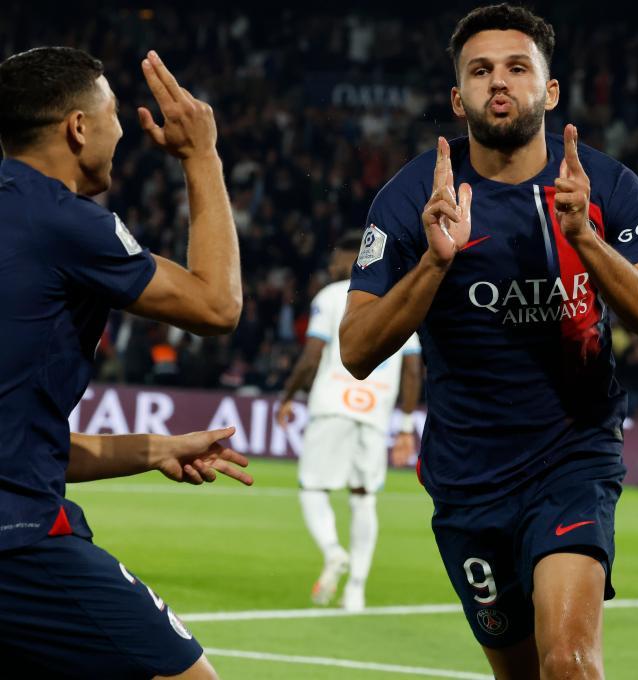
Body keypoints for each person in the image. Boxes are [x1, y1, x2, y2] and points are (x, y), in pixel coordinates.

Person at [338, 5, 638, 678]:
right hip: (468, 476)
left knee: (570, 663)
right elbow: (356, 349)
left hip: (573, 457)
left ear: (549, 91)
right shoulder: (412, 198)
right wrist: (434, 263)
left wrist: (586, 239)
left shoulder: (604, 187)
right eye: (480, 71)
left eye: (518, 67)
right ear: (457, 98)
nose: (499, 82)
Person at [0, 47, 243, 678]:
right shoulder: (63, 220)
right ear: (78, 127)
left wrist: (156, 449)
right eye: (114, 115)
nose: (123, 132)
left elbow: (21, 447)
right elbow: (217, 305)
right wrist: (202, 156)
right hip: (18, 544)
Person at [277, 234, 422, 611]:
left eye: (336, 260)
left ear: (353, 259)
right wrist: (406, 425)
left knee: (312, 487)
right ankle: (356, 588)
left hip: (332, 405)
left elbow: (311, 357)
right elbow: (412, 369)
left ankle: (332, 551)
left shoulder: (331, 296)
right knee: (363, 497)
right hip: (375, 412)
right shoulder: (401, 300)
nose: (331, 267)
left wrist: (288, 396)